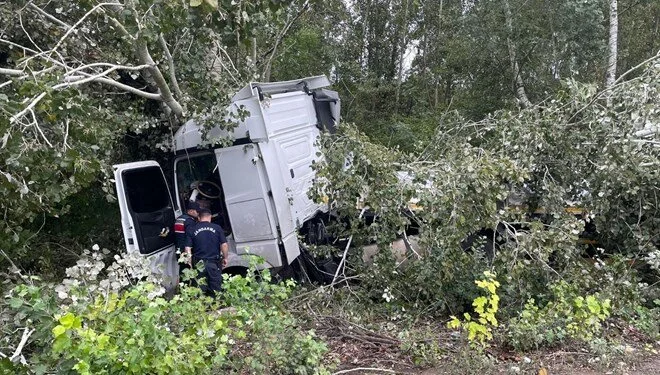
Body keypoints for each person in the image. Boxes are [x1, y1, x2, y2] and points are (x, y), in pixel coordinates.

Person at [185, 208, 229, 297]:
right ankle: (216, 308)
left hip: (198, 263)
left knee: (200, 289)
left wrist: (189, 262)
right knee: (216, 289)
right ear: (210, 217)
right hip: (214, 263)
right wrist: (225, 258)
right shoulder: (217, 228)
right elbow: (224, 245)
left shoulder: (192, 229)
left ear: (199, 218)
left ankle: (203, 308)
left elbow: (187, 248)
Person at [174, 201, 200, 284]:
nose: (198, 213)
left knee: (183, 272)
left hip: (179, 250)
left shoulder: (179, 218)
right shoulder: (190, 221)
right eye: (197, 211)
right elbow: (190, 237)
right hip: (186, 251)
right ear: (191, 211)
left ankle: (182, 289)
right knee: (190, 272)